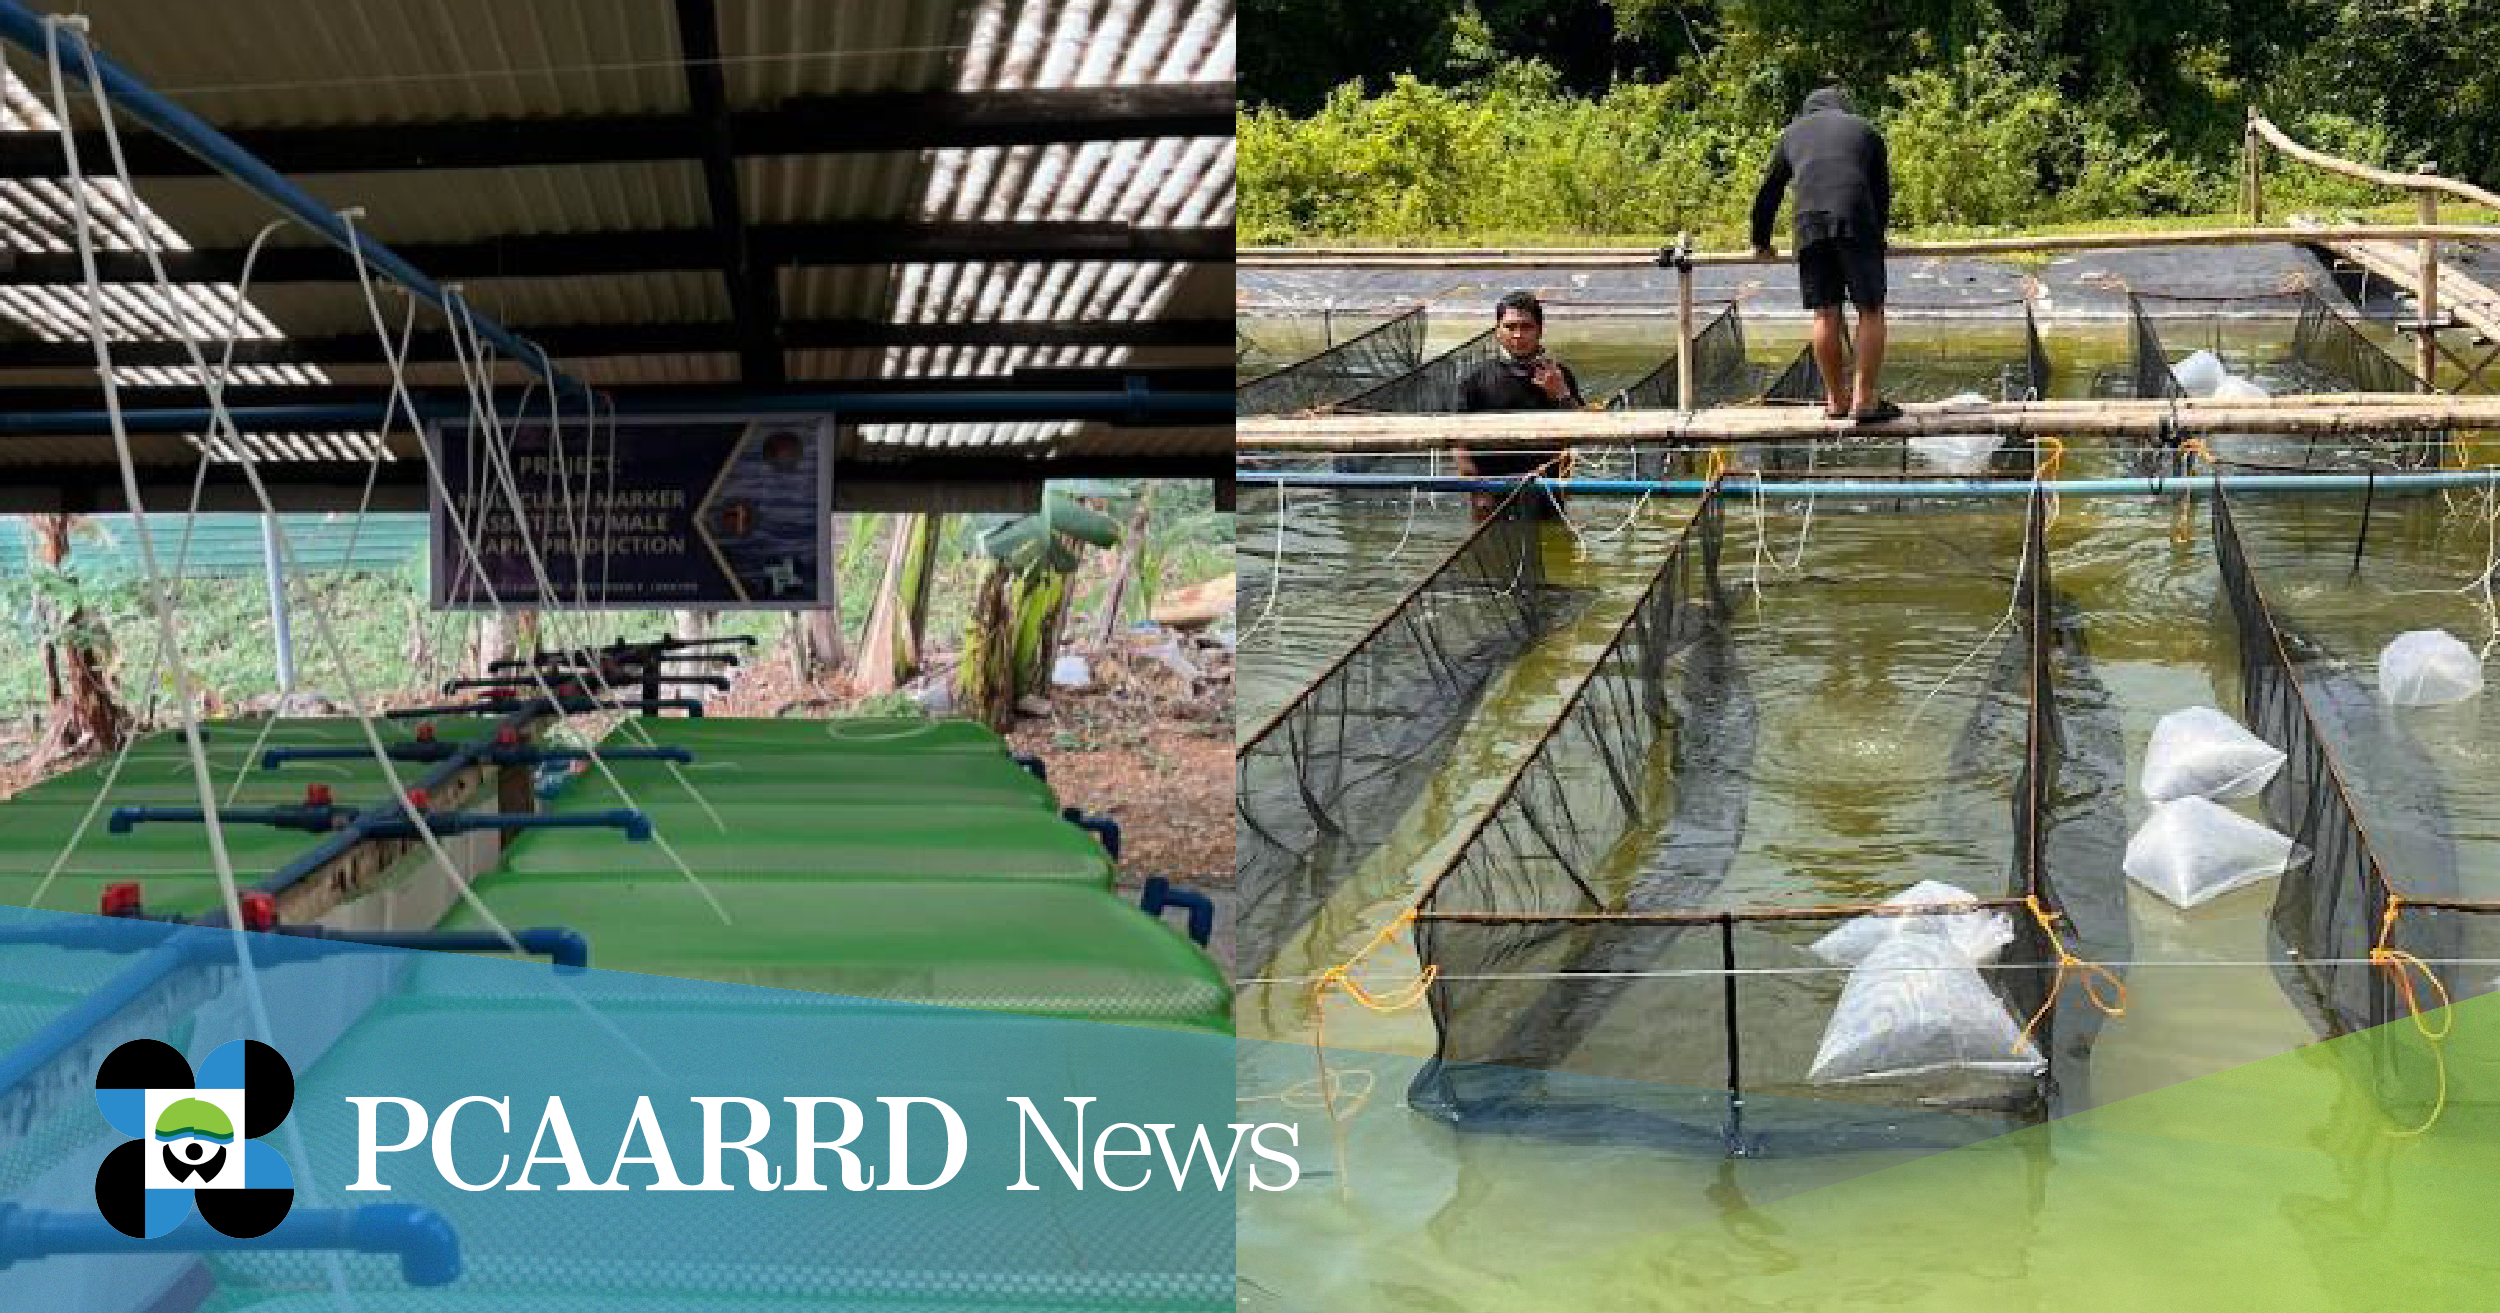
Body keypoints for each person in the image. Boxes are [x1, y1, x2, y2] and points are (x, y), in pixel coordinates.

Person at [1750, 86, 1898, 424]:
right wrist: (1879, 234)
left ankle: (1835, 400)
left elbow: (1768, 192)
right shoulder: (1866, 131)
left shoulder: (1791, 134)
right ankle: (1865, 401)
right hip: (1857, 220)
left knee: (1824, 313)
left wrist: (1761, 241)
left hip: (1809, 226)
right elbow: (1880, 193)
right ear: (1843, 108)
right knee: (1870, 309)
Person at [1455, 290, 1582, 518]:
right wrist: (1476, 487)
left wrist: (1561, 394)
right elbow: (1458, 441)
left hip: (1548, 494)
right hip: (1492, 495)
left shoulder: (1558, 374)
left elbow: (1583, 432)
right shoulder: (1475, 379)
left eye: (1526, 327)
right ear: (1497, 330)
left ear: (1540, 330)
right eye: (1510, 327)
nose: (1518, 335)